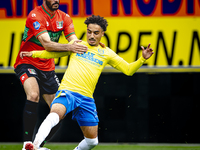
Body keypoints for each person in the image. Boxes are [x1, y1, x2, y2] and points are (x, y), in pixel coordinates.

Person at [20, 15, 154, 150]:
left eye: (96, 33)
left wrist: (142, 59)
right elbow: (53, 54)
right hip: (68, 92)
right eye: (89, 31)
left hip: (86, 99)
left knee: (92, 142)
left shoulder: (106, 53)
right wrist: (34, 54)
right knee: (55, 114)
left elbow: (128, 70)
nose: (91, 35)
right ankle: (35, 145)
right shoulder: (77, 45)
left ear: (102, 33)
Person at [14, 0, 88, 149]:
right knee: (33, 95)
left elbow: (74, 41)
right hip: (28, 60)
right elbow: (47, 44)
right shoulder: (35, 15)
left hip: (48, 67)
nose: (56, 0)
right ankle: (26, 143)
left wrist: (91, 45)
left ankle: (37, 145)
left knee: (60, 110)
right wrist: (70, 47)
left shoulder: (64, 17)